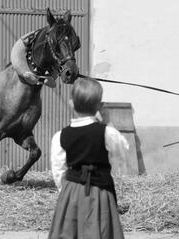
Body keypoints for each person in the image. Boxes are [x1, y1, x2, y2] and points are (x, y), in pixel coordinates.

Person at [48, 78, 128, 239]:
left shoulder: (60, 136)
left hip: (71, 191)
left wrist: (64, 191)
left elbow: (58, 170)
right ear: (99, 106)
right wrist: (106, 122)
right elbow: (122, 150)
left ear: (71, 104)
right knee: (101, 229)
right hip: (100, 192)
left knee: (70, 232)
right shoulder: (107, 133)